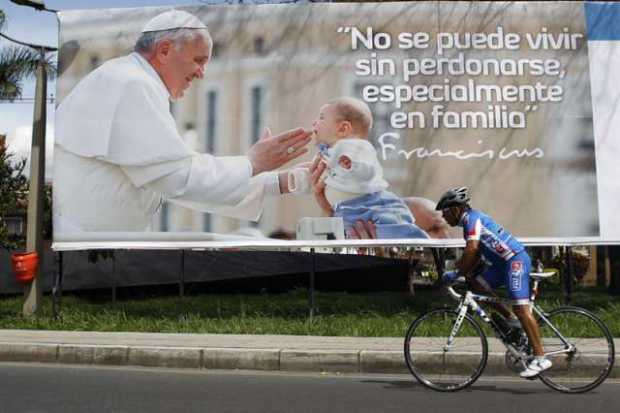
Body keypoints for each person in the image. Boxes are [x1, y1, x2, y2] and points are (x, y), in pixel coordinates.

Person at [53, 9, 311, 233]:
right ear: (164, 50)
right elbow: (177, 178)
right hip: (87, 246)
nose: (201, 73)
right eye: (199, 60)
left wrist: (277, 182)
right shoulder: (132, 83)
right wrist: (253, 163)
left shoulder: (128, 78)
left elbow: (172, 179)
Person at [436, 186, 552, 378]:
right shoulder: (469, 223)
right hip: (501, 264)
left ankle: (541, 357)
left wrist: (456, 274)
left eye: (445, 212)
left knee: (521, 308)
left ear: (457, 209)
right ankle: (512, 321)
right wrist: (462, 272)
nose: (444, 217)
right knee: (476, 284)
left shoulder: (471, 220)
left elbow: (472, 250)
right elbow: (475, 255)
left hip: (515, 261)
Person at [298, 97, 434, 239]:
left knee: (390, 227)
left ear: (343, 128)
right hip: (347, 210)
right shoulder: (328, 153)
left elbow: (368, 170)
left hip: (370, 203)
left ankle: (419, 242)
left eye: (321, 118)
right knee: (351, 238)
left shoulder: (356, 147)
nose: (314, 122)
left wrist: (352, 166)